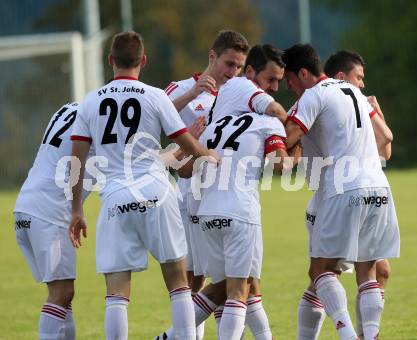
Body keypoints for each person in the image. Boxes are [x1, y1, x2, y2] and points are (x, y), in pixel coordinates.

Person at [68, 31, 219, 340]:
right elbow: (185, 143)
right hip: (156, 191)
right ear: (143, 61)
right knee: (178, 282)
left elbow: (77, 161)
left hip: (115, 198)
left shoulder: (89, 103)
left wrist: (76, 209)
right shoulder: (155, 96)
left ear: (110, 60)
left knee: (117, 293)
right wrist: (209, 154)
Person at [157, 44, 287, 340]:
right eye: (230, 64)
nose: (232, 73)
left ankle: (174, 336)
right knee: (229, 286)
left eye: (237, 67)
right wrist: (297, 129)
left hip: (207, 204)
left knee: (230, 284)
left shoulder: (219, 117)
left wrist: (196, 147)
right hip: (219, 205)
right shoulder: (252, 105)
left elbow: (185, 166)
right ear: (212, 56)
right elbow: (282, 162)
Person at [283, 43, 400, 340]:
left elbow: (287, 143)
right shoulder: (356, 94)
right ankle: (369, 335)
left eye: (288, 80)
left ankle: (348, 335)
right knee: (370, 273)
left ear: (302, 73)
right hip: (378, 186)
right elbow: (386, 138)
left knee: (322, 272)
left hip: (338, 192)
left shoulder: (313, 95)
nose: (288, 87)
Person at [324, 49, 394, 338]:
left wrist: (375, 112)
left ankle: (364, 334)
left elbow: (386, 150)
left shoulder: (356, 104)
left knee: (381, 272)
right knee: (325, 275)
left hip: (364, 191)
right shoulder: (336, 105)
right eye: (359, 77)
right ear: (342, 77)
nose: (363, 84)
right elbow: (387, 138)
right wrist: (373, 111)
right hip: (341, 196)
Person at [14, 102, 85, 340]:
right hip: (50, 210)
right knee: (62, 292)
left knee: (62, 295)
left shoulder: (69, 108)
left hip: (27, 205)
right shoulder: (99, 116)